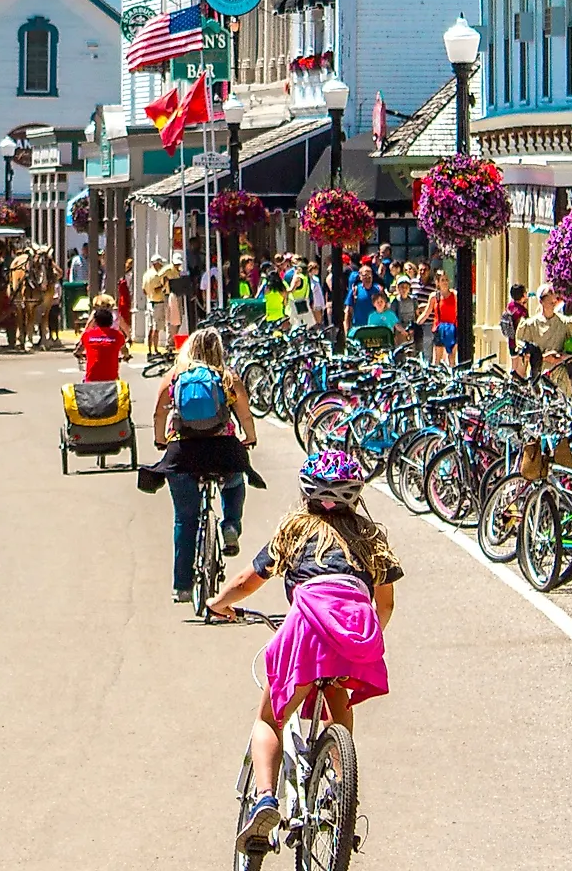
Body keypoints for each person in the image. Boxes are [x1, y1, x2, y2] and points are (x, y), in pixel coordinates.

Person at [206, 449, 400, 857]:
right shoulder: (369, 537)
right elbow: (385, 603)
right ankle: (340, 792)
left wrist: (219, 603)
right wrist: (368, 637)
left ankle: (264, 800)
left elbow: (246, 580)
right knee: (337, 700)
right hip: (355, 632)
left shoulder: (295, 531)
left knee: (270, 718)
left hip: (307, 628)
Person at [142, 328, 257, 604]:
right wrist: (249, 438)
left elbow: (159, 412)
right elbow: (245, 415)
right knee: (234, 480)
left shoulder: (175, 377)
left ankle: (182, 586)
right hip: (221, 449)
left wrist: (160, 440)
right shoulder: (227, 378)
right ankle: (230, 524)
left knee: (185, 517)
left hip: (183, 451)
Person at [76, 304, 126, 383]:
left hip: (91, 379)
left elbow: (79, 350)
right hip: (111, 379)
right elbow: (124, 351)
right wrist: (126, 356)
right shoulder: (118, 335)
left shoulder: (87, 335)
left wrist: (78, 354)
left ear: (95, 322)